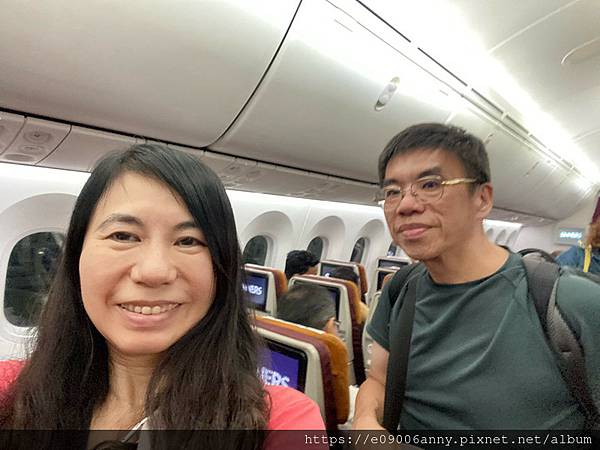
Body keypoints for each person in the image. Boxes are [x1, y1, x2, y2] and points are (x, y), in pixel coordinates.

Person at [0, 144, 324, 448]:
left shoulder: (281, 422)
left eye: (188, 241)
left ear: (221, 268)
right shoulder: (11, 391)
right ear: (76, 256)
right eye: (123, 236)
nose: (154, 271)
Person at [353, 123, 600, 430]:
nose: (405, 205)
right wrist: (365, 420)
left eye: (430, 185)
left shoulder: (573, 302)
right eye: (392, 192)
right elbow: (379, 380)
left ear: (482, 199)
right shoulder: (400, 290)